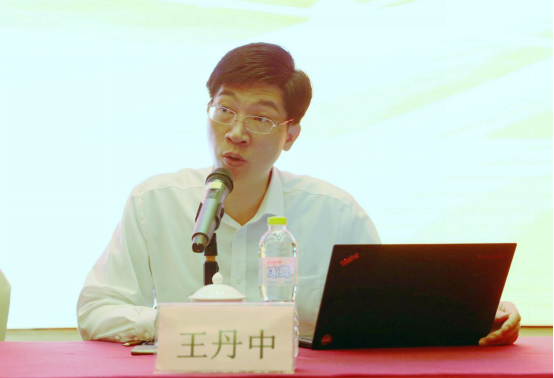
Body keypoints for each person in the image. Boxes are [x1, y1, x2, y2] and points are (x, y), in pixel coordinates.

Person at [77, 43, 521, 346]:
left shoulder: (335, 211)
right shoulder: (155, 201)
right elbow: (97, 308)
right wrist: (177, 322)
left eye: (261, 118)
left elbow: (386, 310)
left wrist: (484, 313)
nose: (236, 132)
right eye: (225, 109)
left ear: (290, 135)